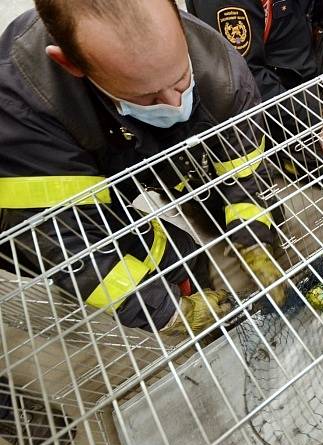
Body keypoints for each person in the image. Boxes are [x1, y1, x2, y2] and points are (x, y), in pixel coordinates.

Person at [0, 0, 286, 339]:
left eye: (182, 79)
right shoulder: (24, 109)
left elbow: (245, 171)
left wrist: (253, 237)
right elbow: (71, 242)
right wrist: (170, 313)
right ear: (72, 64)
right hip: (66, 185)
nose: (175, 104)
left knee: (229, 219)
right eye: (149, 97)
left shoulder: (222, 72)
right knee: (172, 258)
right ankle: (214, 332)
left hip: (129, 143)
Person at [185, 0, 323, 188]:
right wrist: (314, 115)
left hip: (302, 56)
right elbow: (248, 75)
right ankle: (283, 151)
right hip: (270, 86)